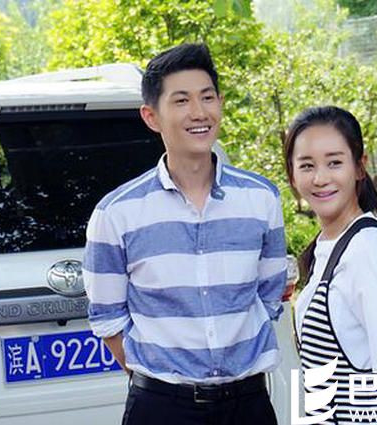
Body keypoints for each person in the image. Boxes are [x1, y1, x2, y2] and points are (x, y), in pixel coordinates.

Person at [82, 43, 287, 425]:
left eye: (207, 98)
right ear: (151, 116)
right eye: (181, 100)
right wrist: (163, 381)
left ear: (220, 103)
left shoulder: (261, 198)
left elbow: (269, 296)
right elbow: (108, 319)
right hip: (160, 408)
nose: (199, 112)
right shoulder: (117, 213)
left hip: (248, 405)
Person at [284, 106, 377, 424]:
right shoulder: (331, 247)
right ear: (292, 175)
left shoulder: (366, 252)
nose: (320, 178)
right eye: (307, 165)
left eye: (334, 162)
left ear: (359, 167)